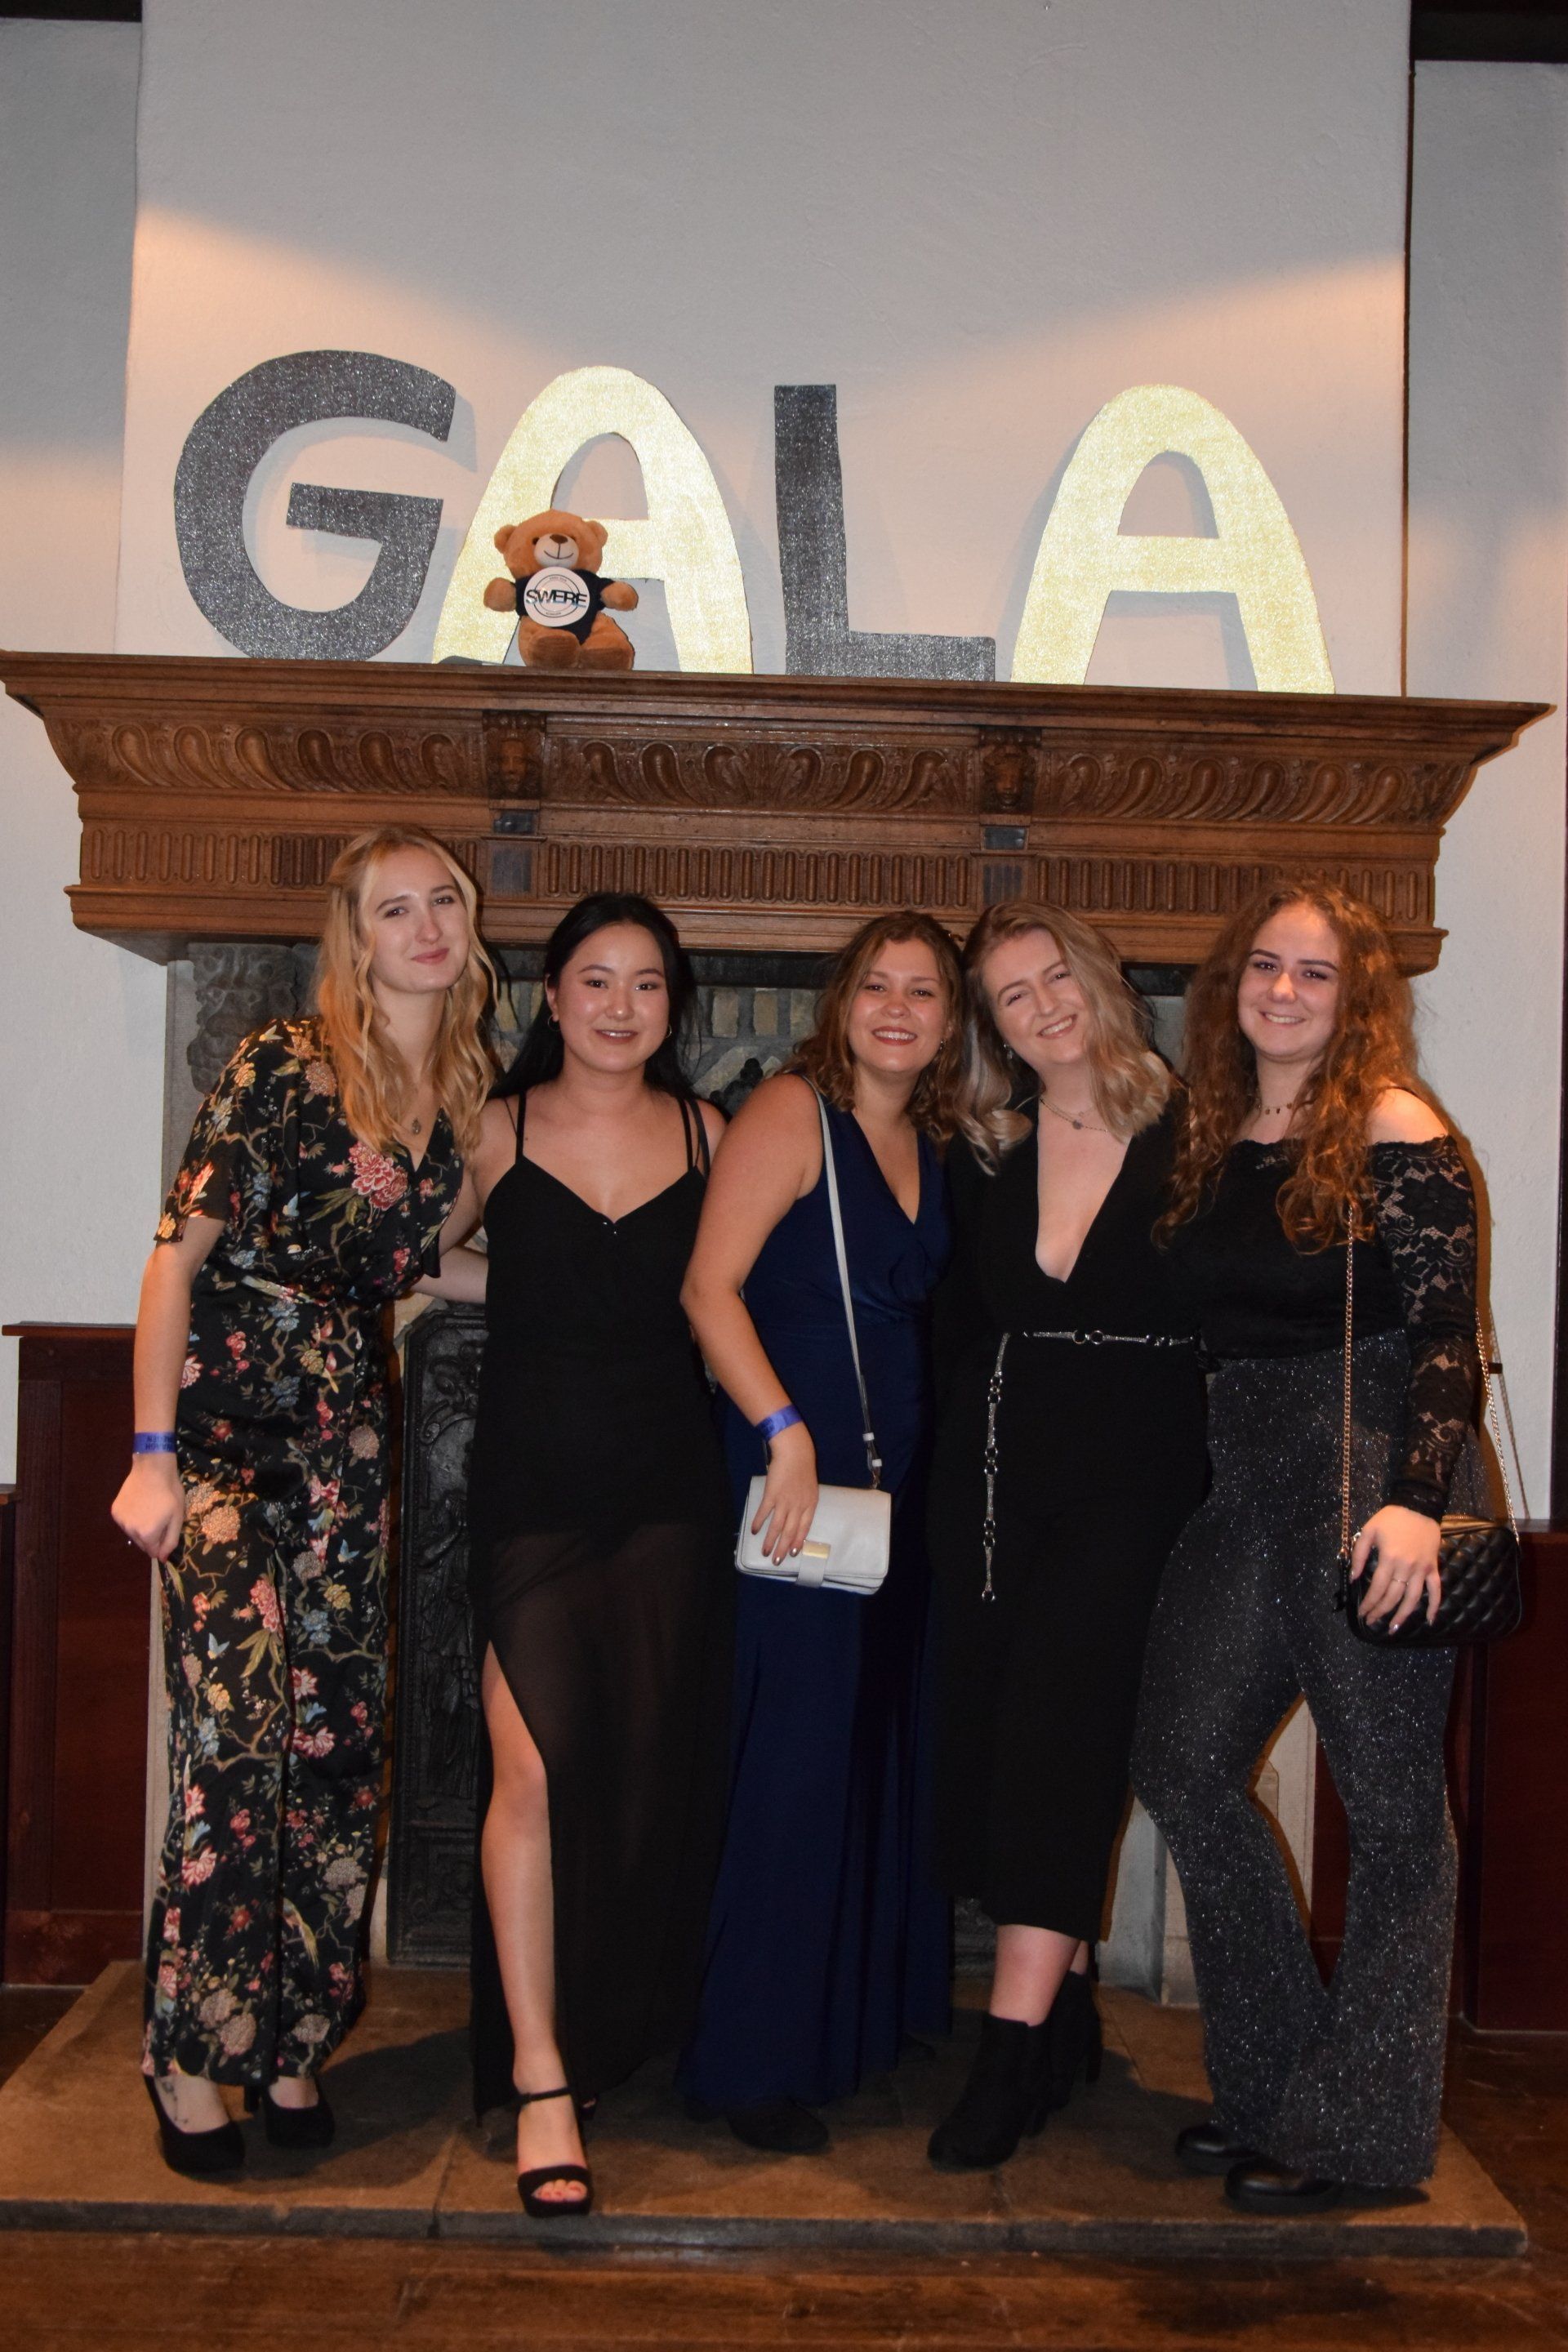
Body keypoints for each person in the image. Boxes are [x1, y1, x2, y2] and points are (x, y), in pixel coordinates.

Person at [111, 825, 492, 2176]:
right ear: (358, 938)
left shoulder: (465, 1102)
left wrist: (601, 1291)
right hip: (221, 1446)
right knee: (236, 1739)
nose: (426, 927)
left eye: (443, 901)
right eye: (396, 909)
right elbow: (175, 1258)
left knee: (335, 1747)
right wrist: (150, 1453)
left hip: (345, 1450)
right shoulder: (284, 1061)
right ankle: (188, 2051)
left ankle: (290, 2041)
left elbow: (416, 1267)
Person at [1132, 880, 1486, 2215]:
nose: (1283, 991)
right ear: (1233, 983)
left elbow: (1448, 1333)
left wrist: (1416, 1497)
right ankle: (1280, 2083)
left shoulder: (1396, 1123)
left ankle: (1363, 2135)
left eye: (1316, 973)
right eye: (1265, 966)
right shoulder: (1214, 1131)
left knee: (1392, 1814)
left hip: (1369, 1474)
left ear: (1357, 998)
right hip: (1243, 1476)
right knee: (1179, 1763)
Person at [923, 902, 1208, 2168]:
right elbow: (946, 1323)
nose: (1043, 1008)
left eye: (1054, 978)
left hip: (1136, 1490)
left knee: (1059, 1745)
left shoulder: (1199, 1132)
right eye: (1011, 995)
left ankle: (1007, 2051)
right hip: (993, 1493)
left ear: (1097, 976)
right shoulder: (988, 1148)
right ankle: (1067, 2019)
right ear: (992, 1026)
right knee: (1006, 1751)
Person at [460, 893, 731, 2219]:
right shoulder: (493, 1129)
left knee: (642, 1775)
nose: (621, 1007)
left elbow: (739, 1292)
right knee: (533, 1768)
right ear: (553, 994)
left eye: (648, 985)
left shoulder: (711, 1132)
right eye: (597, 980)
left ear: (672, 1006)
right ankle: (540, 2076)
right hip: (532, 1491)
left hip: (672, 1492)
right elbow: (420, 1261)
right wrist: (526, 1285)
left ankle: (631, 2024)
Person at [676, 913, 960, 2154]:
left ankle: (845, 2028)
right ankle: (748, 2060)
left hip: (896, 1489)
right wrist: (784, 1431)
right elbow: (707, 1289)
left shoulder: (933, 1139)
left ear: (951, 1021)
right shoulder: (793, 1113)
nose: (898, 1009)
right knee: (792, 1763)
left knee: (865, 1751)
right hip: (800, 1476)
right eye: (877, 986)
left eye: (924, 991)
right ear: (841, 1003)